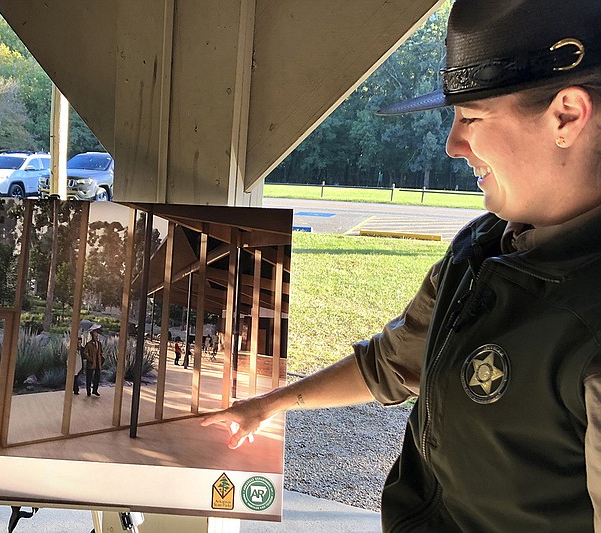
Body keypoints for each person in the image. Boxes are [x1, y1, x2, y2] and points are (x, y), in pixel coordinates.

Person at [203, 0, 601, 530]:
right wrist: (268, 404)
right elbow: (393, 364)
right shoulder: (482, 247)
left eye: (471, 117)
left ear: (566, 115)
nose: (453, 144)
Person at [84, 324, 103, 397]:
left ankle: (95, 390)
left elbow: (101, 352)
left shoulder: (99, 343)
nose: (97, 336)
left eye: (97, 335)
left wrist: (101, 357)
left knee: (97, 377)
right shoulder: (89, 344)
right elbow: (85, 353)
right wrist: (90, 359)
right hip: (91, 363)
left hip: (98, 363)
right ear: (92, 335)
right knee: (89, 377)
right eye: (95, 335)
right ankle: (88, 391)